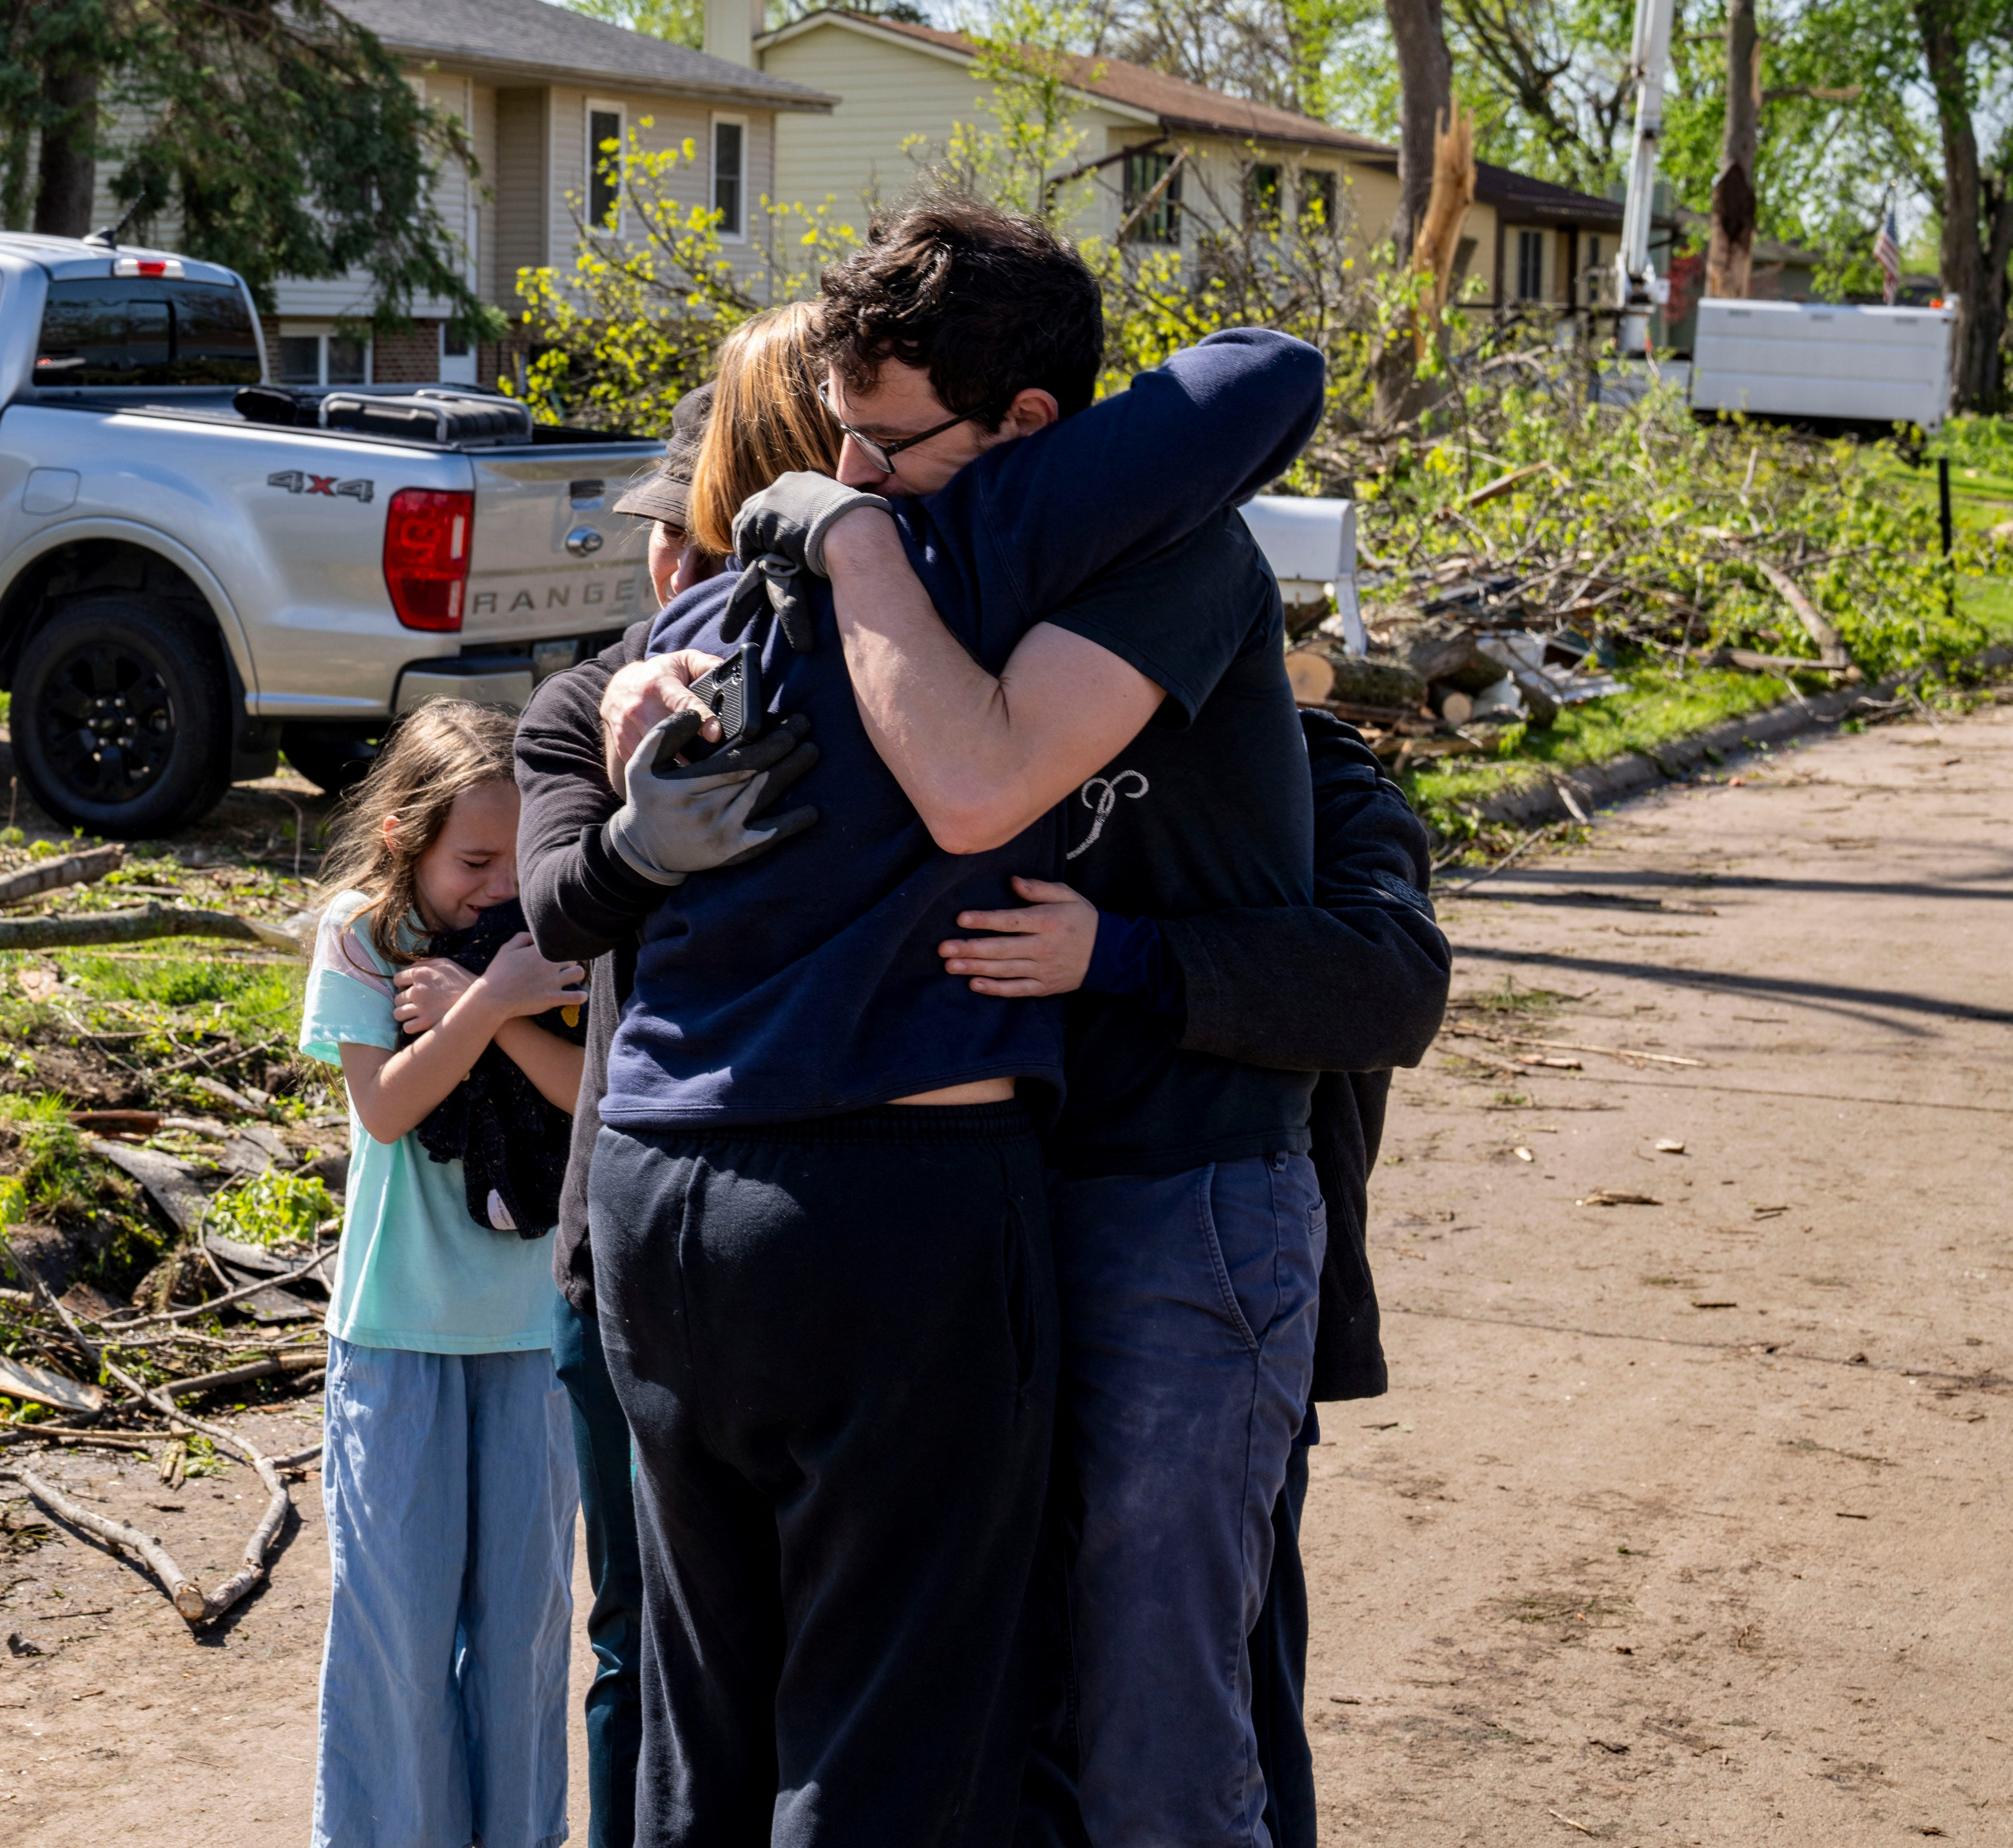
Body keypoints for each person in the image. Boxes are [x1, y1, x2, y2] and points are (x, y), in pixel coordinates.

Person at [570, 199, 1327, 1846]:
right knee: (895, 1736)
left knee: (1130, 1735)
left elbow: (1272, 371)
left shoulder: (1049, 552)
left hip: (1144, 1191)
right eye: (827, 440)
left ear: (1032, 433)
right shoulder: (886, 567)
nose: (849, 471)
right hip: (922, 1201)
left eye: (886, 441)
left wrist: (840, 549)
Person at [932, 714, 1445, 1848]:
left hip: (1215, 1293)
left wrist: (1123, 954)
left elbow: (1393, 981)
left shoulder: (1311, 768)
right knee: (1030, 1715)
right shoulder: (1000, 741)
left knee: (1208, 1707)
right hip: (1000, 1279)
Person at [514, 321, 833, 1848]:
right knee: (644, 1638)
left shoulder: (846, 667)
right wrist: (648, 836)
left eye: (684, 530)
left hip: (805, 1218)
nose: (662, 564)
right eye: (661, 535)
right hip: (617, 1237)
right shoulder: (582, 709)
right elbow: (561, 905)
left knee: (792, 1657)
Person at [300, 698, 588, 1848]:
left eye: (517, 859)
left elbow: (588, 1096)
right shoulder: (359, 936)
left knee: (523, 1636)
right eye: (472, 860)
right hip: (397, 1333)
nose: (497, 886)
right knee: (397, 1635)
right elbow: (384, 1108)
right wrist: (492, 1004)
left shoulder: (551, 940)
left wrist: (499, 1006)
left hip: (532, 1333)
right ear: (403, 843)